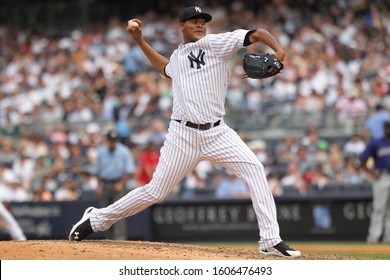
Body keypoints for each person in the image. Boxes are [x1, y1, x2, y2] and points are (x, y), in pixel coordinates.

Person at [69, 6, 301, 258]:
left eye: (203, 21)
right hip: (182, 135)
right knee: (155, 191)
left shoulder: (216, 44)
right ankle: (97, 220)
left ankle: (269, 239)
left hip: (217, 133)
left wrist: (279, 51)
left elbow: (256, 34)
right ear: (181, 26)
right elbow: (164, 68)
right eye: (194, 21)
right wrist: (140, 41)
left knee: (255, 169)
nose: (200, 25)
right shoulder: (178, 57)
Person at [94, 129, 136, 240]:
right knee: (105, 213)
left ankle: (120, 239)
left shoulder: (124, 151)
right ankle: (109, 239)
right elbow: (97, 171)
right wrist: (99, 186)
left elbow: (129, 170)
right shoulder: (101, 152)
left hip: (119, 184)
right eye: (111, 140)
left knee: (119, 212)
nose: (112, 142)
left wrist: (121, 183)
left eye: (114, 140)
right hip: (105, 184)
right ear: (107, 140)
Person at [359, 120, 390, 243]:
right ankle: (373, 238)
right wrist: (371, 172)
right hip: (381, 177)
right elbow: (362, 160)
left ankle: (388, 239)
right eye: (388, 127)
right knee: (379, 208)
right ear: (385, 128)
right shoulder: (377, 142)